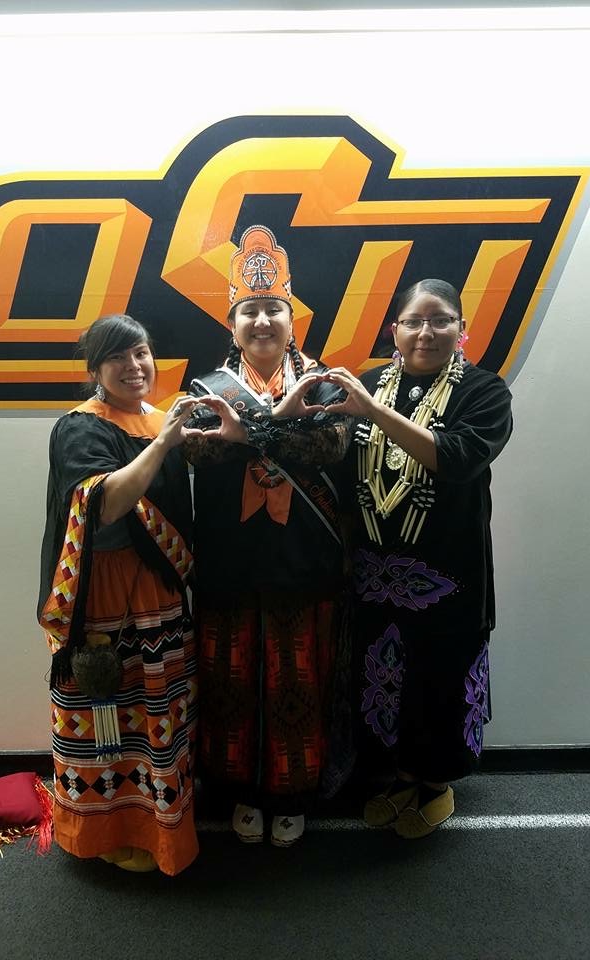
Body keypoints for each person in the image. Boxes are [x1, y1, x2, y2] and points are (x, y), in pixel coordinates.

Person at [323, 279, 513, 838]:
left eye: (441, 320)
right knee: (383, 679)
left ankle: (436, 783)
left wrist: (371, 412)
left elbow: (457, 458)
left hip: (447, 575)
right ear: (395, 330)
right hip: (375, 575)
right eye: (413, 321)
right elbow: (339, 473)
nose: (426, 332)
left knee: (439, 680)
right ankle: (399, 776)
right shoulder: (369, 386)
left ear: (461, 330)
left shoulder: (484, 391)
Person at [185, 225, 353, 847]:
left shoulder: (326, 384)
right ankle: (239, 790)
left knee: (298, 676)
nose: (261, 320)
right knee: (230, 678)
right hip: (231, 559)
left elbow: (333, 444)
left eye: (273, 309)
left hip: (304, 558)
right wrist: (281, 426)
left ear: (291, 320)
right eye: (249, 310)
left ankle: (294, 791)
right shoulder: (206, 390)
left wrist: (251, 433)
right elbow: (198, 451)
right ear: (233, 325)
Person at [37, 314, 201, 874]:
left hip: (158, 589)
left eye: (141, 353)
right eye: (117, 357)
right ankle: (104, 831)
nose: (133, 366)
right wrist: (166, 441)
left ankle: (161, 826)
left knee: (160, 711)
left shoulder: (161, 419)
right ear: (95, 369)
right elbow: (104, 504)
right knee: (107, 717)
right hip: (104, 595)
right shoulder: (80, 427)